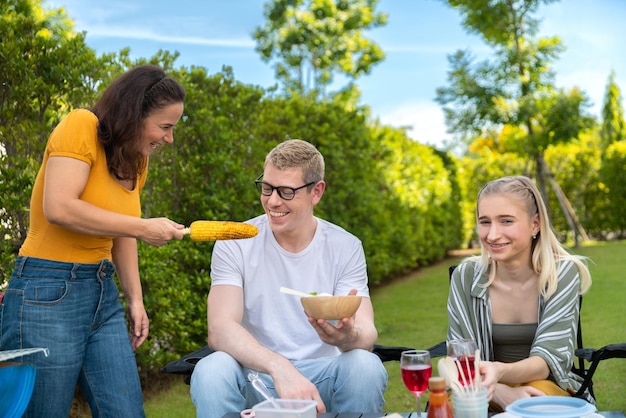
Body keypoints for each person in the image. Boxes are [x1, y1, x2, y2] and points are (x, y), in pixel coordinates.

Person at [0, 64, 187, 417]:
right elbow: (59, 207)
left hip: (101, 294)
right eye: (165, 127)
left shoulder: (136, 159)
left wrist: (135, 299)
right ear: (134, 115)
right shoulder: (81, 125)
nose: (169, 138)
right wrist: (145, 227)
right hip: (47, 290)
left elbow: (124, 230)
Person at [190, 139, 388, 417]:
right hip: (256, 375)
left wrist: (348, 336)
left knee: (365, 366)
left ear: (316, 192)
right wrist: (279, 366)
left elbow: (366, 333)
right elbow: (220, 329)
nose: (272, 201)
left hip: (321, 378)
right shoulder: (234, 243)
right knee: (211, 369)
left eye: (286, 192)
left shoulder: (345, 246)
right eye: (267, 188)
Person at [446, 175, 593, 412]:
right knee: (455, 406)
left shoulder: (561, 274)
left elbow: (548, 360)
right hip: (479, 388)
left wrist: (501, 372)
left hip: (544, 388)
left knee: (534, 406)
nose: (492, 235)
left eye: (506, 221)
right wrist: (504, 392)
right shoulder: (465, 277)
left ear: (535, 224)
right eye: (485, 222)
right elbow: (460, 358)